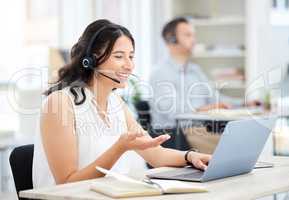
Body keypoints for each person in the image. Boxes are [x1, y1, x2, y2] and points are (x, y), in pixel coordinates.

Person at [32, 19, 211, 188]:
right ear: (92, 60)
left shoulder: (115, 102)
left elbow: (156, 154)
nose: (129, 65)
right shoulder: (60, 104)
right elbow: (66, 182)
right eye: (119, 56)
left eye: (131, 56)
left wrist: (191, 156)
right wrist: (119, 148)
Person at [149, 17, 258, 129]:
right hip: (175, 135)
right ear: (171, 39)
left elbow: (215, 98)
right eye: (188, 35)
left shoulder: (195, 70)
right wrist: (205, 108)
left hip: (200, 129)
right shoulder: (160, 73)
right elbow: (171, 110)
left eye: (193, 35)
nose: (194, 40)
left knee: (243, 134)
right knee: (235, 141)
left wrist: (244, 103)